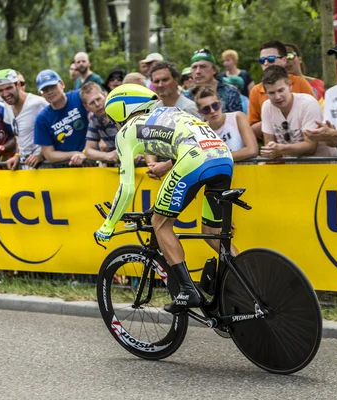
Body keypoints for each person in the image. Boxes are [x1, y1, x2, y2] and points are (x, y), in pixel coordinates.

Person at [95, 84, 235, 313]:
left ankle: (189, 290)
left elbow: (126, 189)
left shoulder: (127, 130)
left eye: (113, 118)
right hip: (223, 156)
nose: (114, 124)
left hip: (194, 159)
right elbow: (193, 143)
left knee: (160, 222)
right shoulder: (171, 111)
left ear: (122, 110)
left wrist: (108, 225)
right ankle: (246, 280)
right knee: (212, 233)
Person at [248, 40, 315, 139]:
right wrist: (272, 119)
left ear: (284, 60)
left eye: (271, 59)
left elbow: (314, 118)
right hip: (274, 150)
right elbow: (251, 130)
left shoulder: (300, 82)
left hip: (304, 147)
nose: (266, 63)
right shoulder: (256, 91)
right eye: (262, 60)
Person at [259, 66, 327, 158]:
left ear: (290, 86)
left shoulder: (308, 103)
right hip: (290, 167)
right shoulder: (266, 106)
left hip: (322, 165)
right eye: (272, 93)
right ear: (266, 93)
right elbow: (269, 144)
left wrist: (280, 149)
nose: (277, 97)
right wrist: (271, 151)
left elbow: (311, 147)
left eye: (281, 90)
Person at [0, 69, 48, 169]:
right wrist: (17, 155)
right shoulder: (7, 104)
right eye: (0, 90)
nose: (5, 94)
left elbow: (56, 130)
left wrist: (41, 155)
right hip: (25, 165)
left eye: (9, 88)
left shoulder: (38, 103)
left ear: (18, 85)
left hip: (45, 164)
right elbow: (18, 135)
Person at [34, 69, 88, 165]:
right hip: (64, 169)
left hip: (91, 162)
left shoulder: (79, 96)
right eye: (45, 90)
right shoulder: (42, 119)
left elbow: (99, 115)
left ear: (62, 84)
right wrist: (75, 154)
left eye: (52, 87)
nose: (49, 92)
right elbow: (49, 154)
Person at [194, 86, 258, 161]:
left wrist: (218, 159)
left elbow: (252, 150)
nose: (212, 111)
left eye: (215, 105)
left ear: (220, 104)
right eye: (206, 109)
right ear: (200, 112)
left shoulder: (237, 117)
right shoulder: (201, 130)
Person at [183, 48, 242, 114]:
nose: (198, 71)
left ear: (214, 70)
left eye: (203, 66)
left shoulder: (230, 92)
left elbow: (238, 121)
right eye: (194, 67)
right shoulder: (186, 96)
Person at [79, 81, 119, 163]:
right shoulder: (95, 120)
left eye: (98, 99)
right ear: (86, 107)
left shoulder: (121, 109)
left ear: (104, 95)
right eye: (92, 103)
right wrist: (106, 156)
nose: (97, 104)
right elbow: (88, 150)